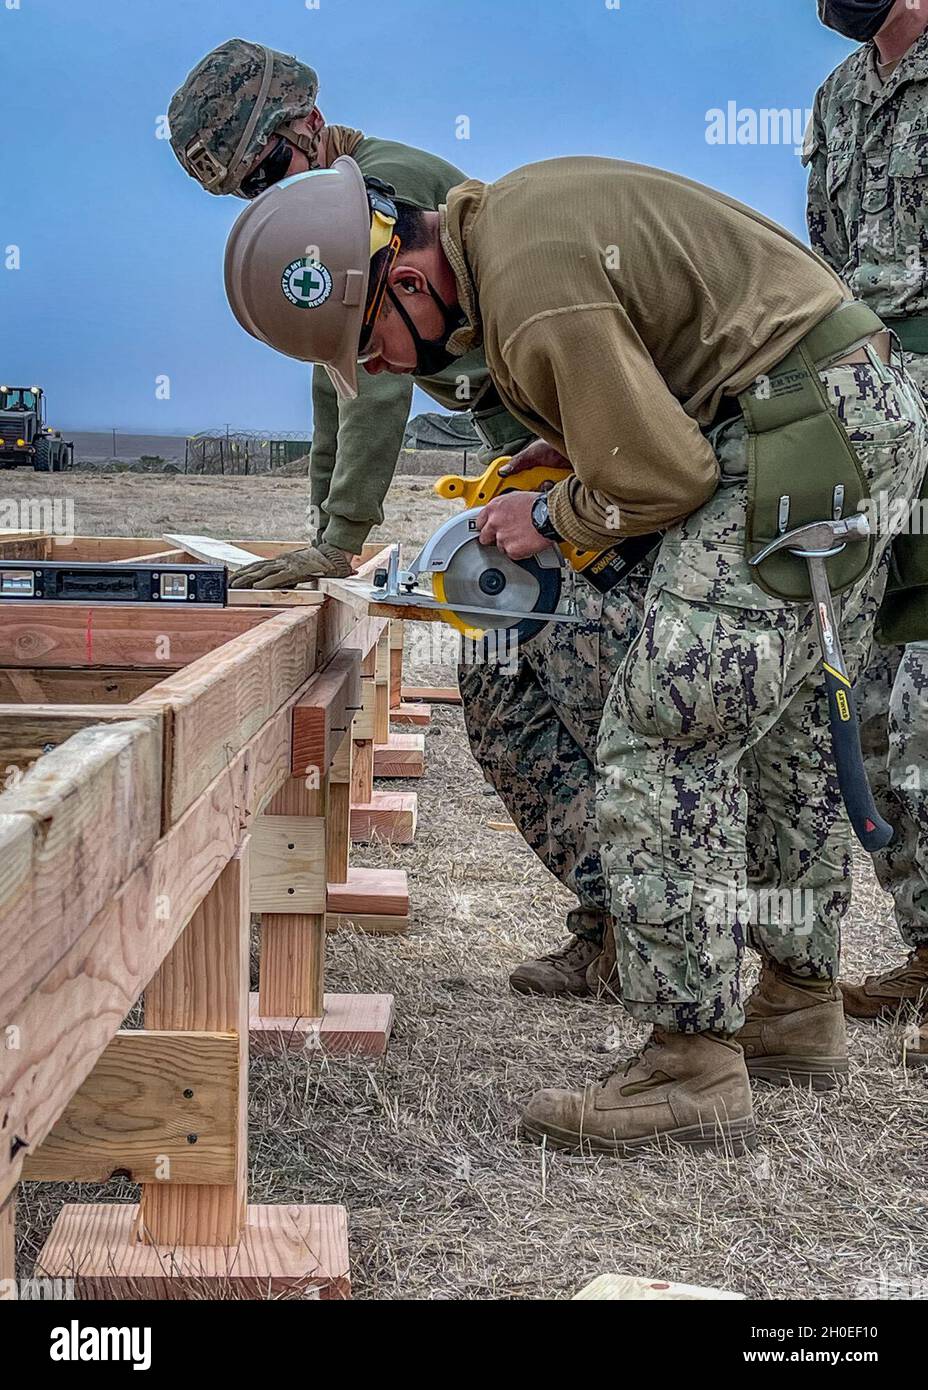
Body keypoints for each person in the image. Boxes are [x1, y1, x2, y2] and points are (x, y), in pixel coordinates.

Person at [223, 154, 926, 1152]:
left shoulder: (528, 288)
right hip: (839, 418)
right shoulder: (513, 236)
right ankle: (795, 1007)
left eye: (371, 345)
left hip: (801, 436)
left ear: (409, 279)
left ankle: (690, 1062)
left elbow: (658, 476)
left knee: (664, 731)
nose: (382, 370)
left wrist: (554, 511)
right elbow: (672, 388)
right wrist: (574, 455)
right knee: (776, 734)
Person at [168, 38, 628, 993]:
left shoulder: (376, 191)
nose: (264, 198)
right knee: (508, 690)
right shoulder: (329, 206)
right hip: (530, 454)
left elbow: (376, 389)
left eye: (263, 172)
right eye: (243, 193)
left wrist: (338, 538)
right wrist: (319, 525)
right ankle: (615, 919)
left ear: (304, 126)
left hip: (575, 450)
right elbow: (335, 380)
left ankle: (661, 930)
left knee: (597, 694)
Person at [807, 0, 928, 1032]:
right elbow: (828, 264)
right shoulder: (838, 97)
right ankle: (925, 943)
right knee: (874, 695)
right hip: (865, 406)